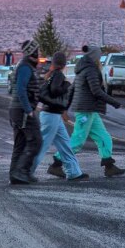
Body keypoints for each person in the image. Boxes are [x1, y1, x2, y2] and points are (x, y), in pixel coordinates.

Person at [49, 45, 125, 178]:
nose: (100, 58)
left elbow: (72, 89)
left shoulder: (82, 69)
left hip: (90, 110)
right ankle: (56, 163)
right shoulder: (90, 70)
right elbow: (96, 91)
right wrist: (114, 102)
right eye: (99, 56)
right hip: (85, 110)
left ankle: (109, 165)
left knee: (103, 136)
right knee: (78, 140)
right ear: (95, 57)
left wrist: (64, 108)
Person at [32, 51, 87, 181]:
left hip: (53, 115)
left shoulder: (52, 74)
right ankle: (27, 171)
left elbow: (52, 91)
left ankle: (74, 172)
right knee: (42, 145)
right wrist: (67, 86)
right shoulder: (58, 75)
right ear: (64, 64)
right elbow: (55, 90)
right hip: (51, 115)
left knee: (65, 144)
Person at [8, 39, 42, 184]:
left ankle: (15, 174)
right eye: (36, 51)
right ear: (31, 52)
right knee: (36, 141)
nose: (38, 53)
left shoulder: (25, 66)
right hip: (22, 111)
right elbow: (21, 90)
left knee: (20, 143)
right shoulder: (25, 68)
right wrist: (28, 110)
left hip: (16, 110)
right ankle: (21, 171)